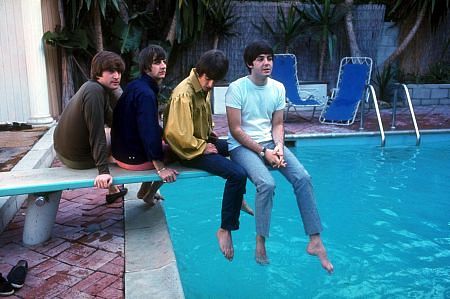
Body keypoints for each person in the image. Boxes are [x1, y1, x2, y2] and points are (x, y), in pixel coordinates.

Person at [225, 40, 334, 273]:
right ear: (249, 63)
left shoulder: (278, 88)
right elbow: (235, 130)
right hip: (241, 146)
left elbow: (278, 124)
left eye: (269, 58)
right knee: (266, 183)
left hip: (270, 143)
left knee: (303, 178)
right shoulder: (237, 88)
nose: (266, 63)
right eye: (260, 59)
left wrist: (279, 147)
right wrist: (263, 152)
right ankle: (261, 240)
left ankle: (315, 240)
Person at [163, 50, 251, 261]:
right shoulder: (183, 94)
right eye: (208, 78)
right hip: (187, 151)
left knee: (240, 147)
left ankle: (237, 197)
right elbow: (174, 134)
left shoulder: (203, 86)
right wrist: (201, 147)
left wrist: (209, 135)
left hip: (201, 142)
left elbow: (199, 118)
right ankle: (225, 229)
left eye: (215, 80)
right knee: (237, 174)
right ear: (199, 72)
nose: (211, 84)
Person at [54, 51, 128, 203]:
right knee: (111, 137)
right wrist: (103, 172)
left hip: (64, 151)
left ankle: (112, 190)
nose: (117, 76)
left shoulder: (97, 89)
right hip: (76, 158)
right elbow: (97, 133)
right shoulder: (94, 92)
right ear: (98, 72)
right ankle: (111, 180)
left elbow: (115, 122)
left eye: (119, 71)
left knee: (116, 132)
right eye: (111, 71)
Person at [111, 45, 178, 206]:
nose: (163, 66)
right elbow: (149, 132)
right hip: (132, 160)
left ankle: (143, 191)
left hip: (121, 153)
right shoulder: (146, 94)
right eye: (156, 62)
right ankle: (149, 193)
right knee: (179, 152)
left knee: (162, 142)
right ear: (146, 67)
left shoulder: (136, 85)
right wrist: (161, 168)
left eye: (163, 61)